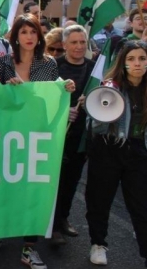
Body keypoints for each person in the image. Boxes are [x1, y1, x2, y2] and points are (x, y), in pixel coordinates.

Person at [0, 15, 75, 269]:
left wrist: (64, 87)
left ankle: (29, 248)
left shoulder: (48, 64)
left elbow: (51, 97)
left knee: (33, 190)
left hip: (37, 136)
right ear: (16, 36)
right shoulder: (3, 63)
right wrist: (4, 87)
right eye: (24, 32)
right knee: (5, 183)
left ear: (39, 37)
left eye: (33, 32)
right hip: (7, 136)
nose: (29, 36)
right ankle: (0, 228)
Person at [86, 40, 147, 267]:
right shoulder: (111, 86)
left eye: (142, 58)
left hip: (138, 151)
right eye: (131, 59)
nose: (137, 63)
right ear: (123, 63)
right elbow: (95, 123)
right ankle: (98, 243)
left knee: (141, 205)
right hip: (108, 149)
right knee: (100, 199)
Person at [52, 25, 94, 247]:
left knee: (72, 181)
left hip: (82, 136)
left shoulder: (95, 69)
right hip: (56, 135)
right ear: (64, 44)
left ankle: (63, 218)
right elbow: (42, 99)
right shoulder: (52, 66)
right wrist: (63, 111)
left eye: (82, 42)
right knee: (55, 182)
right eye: (74, 42)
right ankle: (53, 225)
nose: (79, 47)